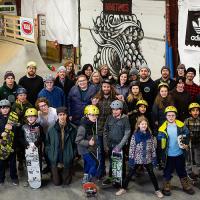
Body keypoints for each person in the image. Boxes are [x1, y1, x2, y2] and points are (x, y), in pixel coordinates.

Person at [116, 116, 163, 198]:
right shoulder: (135, 136)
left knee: (152, 174)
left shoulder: (150, 135)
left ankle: (157, 190)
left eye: (145, 124)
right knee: (130, 174)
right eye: (142, 124)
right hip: (137, 159)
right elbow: (131, 148)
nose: (144, 125)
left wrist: (154, 158)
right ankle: (123, 188)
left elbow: (152, 148)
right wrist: (131, 159)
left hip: (147, 159)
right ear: (138, 125)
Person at [158, 106, 195, 196]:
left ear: (176, 116)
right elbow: (159, 142)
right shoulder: (162, 128)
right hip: (168, 155)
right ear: (166, 116)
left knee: (181, 170)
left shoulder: (181, 125)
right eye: (169, 115)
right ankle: (166, 185)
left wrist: (186, 143)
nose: (171, 117)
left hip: (179, 153)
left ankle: (185, 185)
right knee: (168, 171)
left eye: (173, 115)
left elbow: (187, 134)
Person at [91, 79, 119, 179]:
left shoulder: (115, 98)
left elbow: (123, 110)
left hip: (112, 129)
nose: (106, 88)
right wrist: (93, 105)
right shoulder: (97, 98)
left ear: (110, 87)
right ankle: (101, 170)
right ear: (101, 88)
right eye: (104, 87)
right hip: (100, 128)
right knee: (101, 151)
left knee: (112, 150)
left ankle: (112, 172)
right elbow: (92, 113)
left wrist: (122, 102)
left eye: (108, 86)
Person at [45, 107, 77, 186]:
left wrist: (72, 154)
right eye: (60, 115)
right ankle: (54, 171)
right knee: (57, 183)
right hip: (55, 157)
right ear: (57, 116)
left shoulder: (73, 128)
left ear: (67, 115)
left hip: (67, 156)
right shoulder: (51, 129)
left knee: (67, 182)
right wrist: (50, 155)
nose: (62, 116)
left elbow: (75, 144)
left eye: (64, 114)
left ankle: (66, 170)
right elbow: (47, 144)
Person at [102, 100, 131, 186]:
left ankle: (120, 180)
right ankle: (111, 178)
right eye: (113, 109)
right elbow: (105, 131)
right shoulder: (109, 118)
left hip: (120, 145)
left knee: (120, 164)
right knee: (112, 162)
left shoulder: (125, 119)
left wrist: (120, 145)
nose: (115, 111)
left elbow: (127, 133)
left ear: (121, 110)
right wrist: (105, 144)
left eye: (117, 109)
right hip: (111, 144)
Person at [20, 108, 44, 187]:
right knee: (28, 164)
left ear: (36, 117)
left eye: (32, 116)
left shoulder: (39, 126)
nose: (30, 118)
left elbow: (42, 137)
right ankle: (29, 179)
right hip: (27, 149)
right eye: (28, 116)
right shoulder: (23, 127)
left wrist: (36, 144)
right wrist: (26, 144)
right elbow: (21, 137)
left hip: (37, 149)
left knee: (38, 164)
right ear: (26, 118)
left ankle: (39, 178)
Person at [75, 105, 99, 183]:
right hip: (84, 150)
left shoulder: (92, 123)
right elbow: (78, 140)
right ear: (86, 115)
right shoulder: (83, 127)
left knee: (88, 164)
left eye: (96, 115)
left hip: (89, 148)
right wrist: (88, 142)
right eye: (92, 115)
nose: (94, 117)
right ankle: (89, 179)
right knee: (95, 163)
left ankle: (85, 178)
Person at [11, 87, 32, 171]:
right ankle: (20, 161)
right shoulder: (14, 106)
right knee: (18, 147)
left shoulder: (29, 105)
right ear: (17, 96)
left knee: (26, 145)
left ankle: (27, 160)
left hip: (26, 129)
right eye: (20, 95)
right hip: (17, 130)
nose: (22, 97)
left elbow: (32, 117)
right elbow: (11, 118)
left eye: (24, 95)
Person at [35, 97, 58, 174]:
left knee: (55, 150)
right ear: (39, 108)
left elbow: (59, 123)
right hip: (44, 135)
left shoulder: (54, 111)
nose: (43, 107)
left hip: (55, 134)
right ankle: (49, 166)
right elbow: (36, 125)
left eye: (44, 105)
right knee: (46, 151)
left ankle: (55, 166)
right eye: (41, 106)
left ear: (47, 105)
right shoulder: (38, 114)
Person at [0, 99, 19, 186]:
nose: (5, 109)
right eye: (3, 108)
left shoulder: (13, 117)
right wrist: (1, 134)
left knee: (12, 162)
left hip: (12, 143)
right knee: (1, 162)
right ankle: (1, 177)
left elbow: (18, 130)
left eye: (7, 107)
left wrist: (13, 128)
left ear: (10, 108)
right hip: (1, 144)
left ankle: (14, 177)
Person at [184, 103, 200, 181]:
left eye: (197, 110)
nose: (195, 112)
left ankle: (198, 171)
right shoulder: (187, 121)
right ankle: (189, 171)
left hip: (198, 142)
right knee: (188, 158)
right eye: (193, 110)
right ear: (190, 112)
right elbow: (184, 132)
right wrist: (185, 141)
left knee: (198, 157)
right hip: (189, 142)